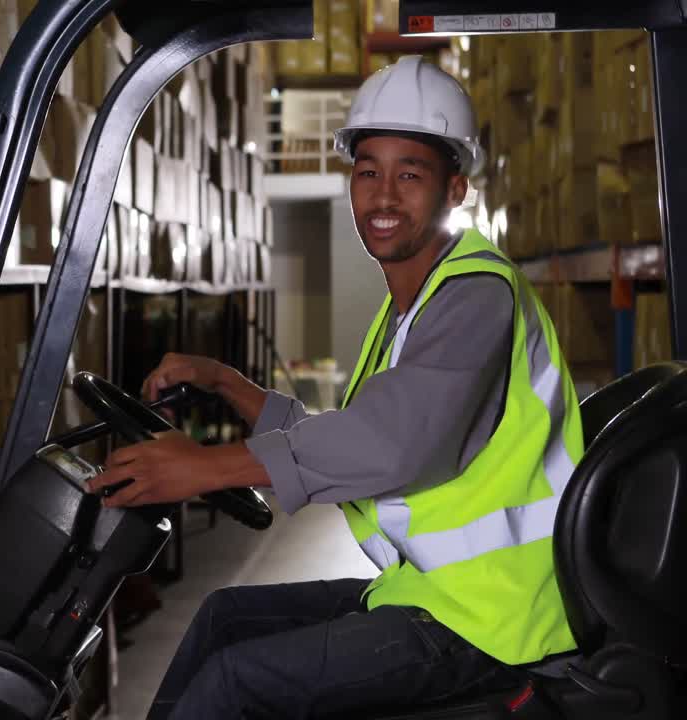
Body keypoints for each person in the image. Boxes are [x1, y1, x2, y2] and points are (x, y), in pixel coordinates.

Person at [87, 56, 584, 719]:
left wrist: (206, 467)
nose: (384, 197)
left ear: (456, 190)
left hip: (493, 620)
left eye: (410, 175)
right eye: (368, 172)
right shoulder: (415, 304)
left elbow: (389, 445)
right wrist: (228, 383)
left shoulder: (475, 294)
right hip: (437, 594)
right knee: (225, 617)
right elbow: (355, 437)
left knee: (236, 681)